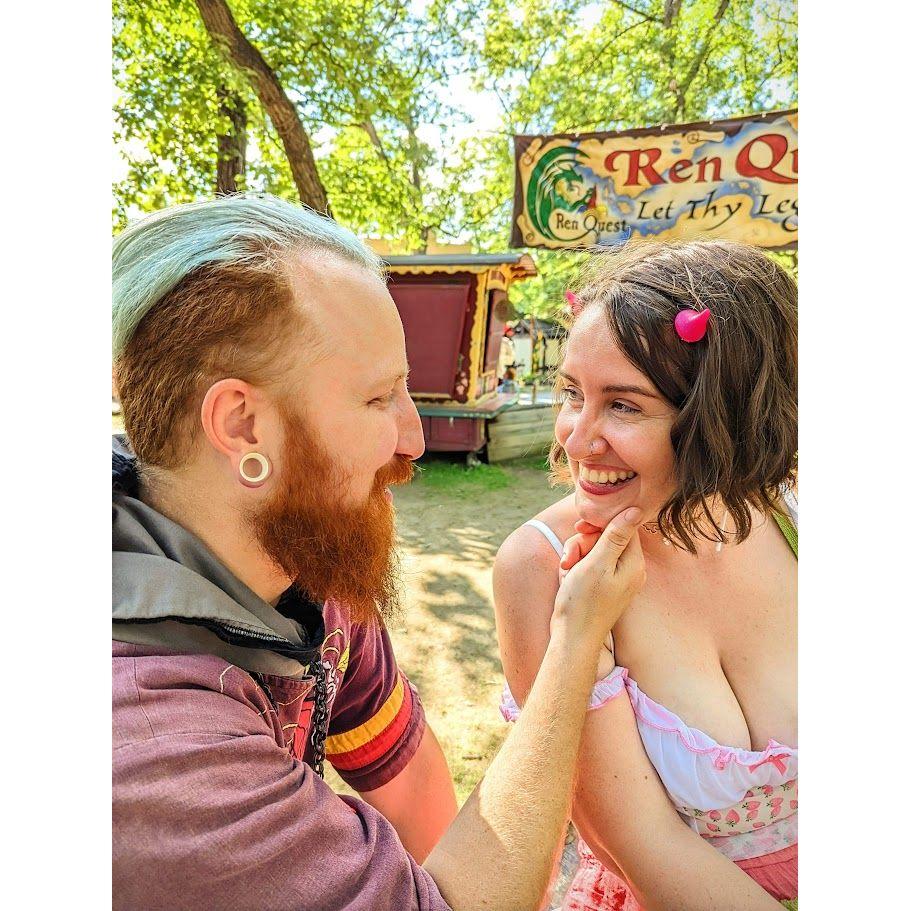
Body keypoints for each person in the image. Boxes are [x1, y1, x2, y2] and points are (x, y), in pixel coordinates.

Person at [111, 193, 646, 911]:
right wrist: (574, 640)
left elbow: (408, 777)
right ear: (241, 425)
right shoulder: (151, 750)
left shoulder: (299, 567)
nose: (413, 438)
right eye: (377, 399)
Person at [494, 240, 797, 910]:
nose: (575, 437)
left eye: (622, 405)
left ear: (722, 413)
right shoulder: (541, 569)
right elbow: (634, 841)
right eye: (572, 393)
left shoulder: (794, 510)